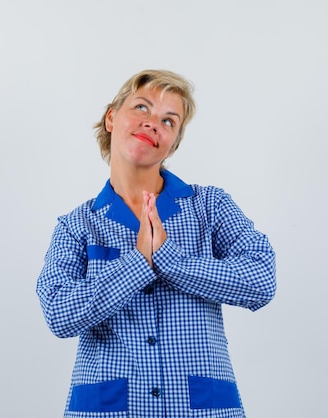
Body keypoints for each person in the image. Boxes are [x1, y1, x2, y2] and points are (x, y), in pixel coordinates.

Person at [36, 69, 276, 418]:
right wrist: (138, 262)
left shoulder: (210, 206)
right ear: (111, 118)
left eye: (168, 120)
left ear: (172, 144)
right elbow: (59, 313)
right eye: (142, 108)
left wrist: (169, 259)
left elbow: (261, 280)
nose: (153, 123)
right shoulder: (76, 226)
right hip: (109, 409)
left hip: (202, 409)